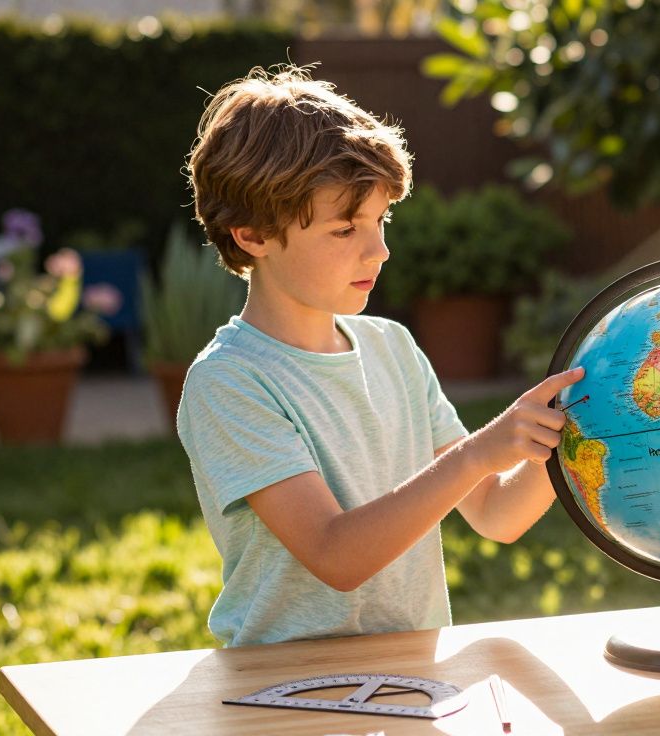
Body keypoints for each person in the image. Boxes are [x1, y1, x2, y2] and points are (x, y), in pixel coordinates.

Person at [178, 66, 582, 647]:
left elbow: (497, 514)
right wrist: (474, 455)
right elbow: (334, 555)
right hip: (285, 690)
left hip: (410, 680)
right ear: (253, 236)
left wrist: (575, 427)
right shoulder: (230, 381)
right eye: (345, 230)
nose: (380, 249)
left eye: (380, 220)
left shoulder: (393, 348)